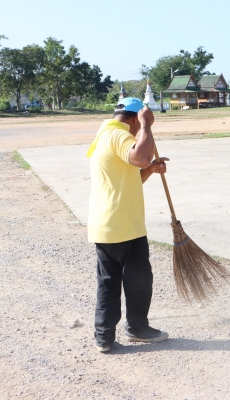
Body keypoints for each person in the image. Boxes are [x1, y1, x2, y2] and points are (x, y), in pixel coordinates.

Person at [87, 97, 170, 352]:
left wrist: (150, 169)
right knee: (138, 281)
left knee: (108, 283)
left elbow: (132, 174)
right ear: (134, 119)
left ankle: (104, 338)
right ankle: (137, 328)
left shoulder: (104, 134)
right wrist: (147, 126)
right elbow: (142, 157)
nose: (137, 133)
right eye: (138, 123)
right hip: (125, 226)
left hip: (104, 225)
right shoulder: (119, 135)